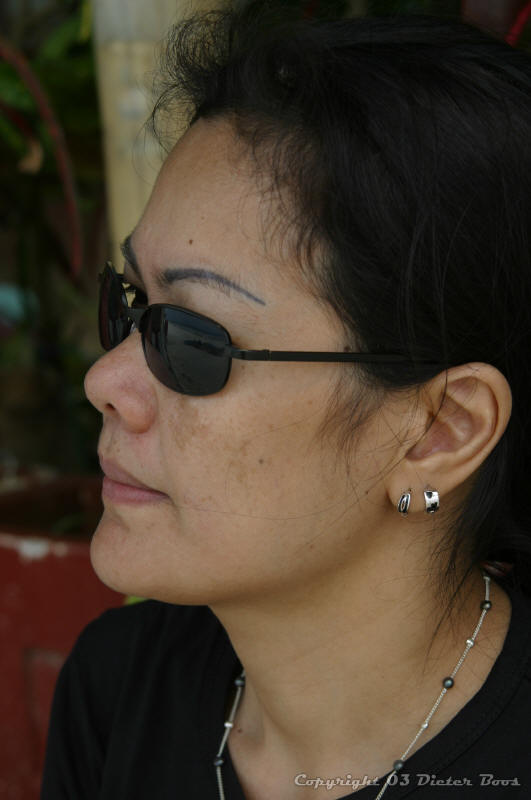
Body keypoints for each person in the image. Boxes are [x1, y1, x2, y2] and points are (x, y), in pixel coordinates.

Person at [41, 9, 531, 799]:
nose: (106, 380)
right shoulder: (119, 688)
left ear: (439, 431)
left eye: (192, 341)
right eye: (129, 304)